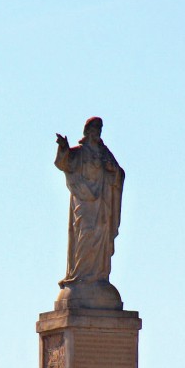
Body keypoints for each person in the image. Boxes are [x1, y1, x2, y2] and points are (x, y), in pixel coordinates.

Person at [55, 117, 124, 289]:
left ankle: (98, 276)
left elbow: (119, 174)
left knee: (100, 234)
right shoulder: (79, 152)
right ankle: (80, 275)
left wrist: (112, 170)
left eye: (99, 128)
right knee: (84, 234)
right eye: (93, 128)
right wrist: (63, 148)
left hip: (102, 203)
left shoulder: (104, 152)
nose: (96, 131)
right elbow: (63, 163)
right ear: (87, 131)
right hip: (84, 200)